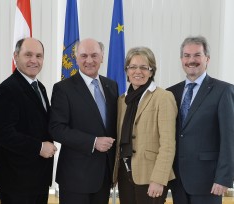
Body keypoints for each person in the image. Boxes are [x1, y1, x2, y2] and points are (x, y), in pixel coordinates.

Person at [49, 38, 118, 204]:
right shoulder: (63, 89)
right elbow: (56, 128)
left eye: (94, 55)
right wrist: (93, 142)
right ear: (76, 58)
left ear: (102, 57)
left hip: (104, 177)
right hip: (75, 179)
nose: (89, 60)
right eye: (84, 55)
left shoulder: (111, 86)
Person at [167, 36, 234, 204]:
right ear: (181, 59)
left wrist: (224, 177)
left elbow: (229, 138)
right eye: (187, 55)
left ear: (207, 59)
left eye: (197, 55)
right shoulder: (171, 93)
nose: (191, 60)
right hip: (177, 180)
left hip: (209, 181)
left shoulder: (223, 91)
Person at [0, 37, 57, 204]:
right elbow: (3, 134)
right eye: (28, 55)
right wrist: (39, 147)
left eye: (39, 56)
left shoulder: (39, 87)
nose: (34, 60)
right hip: (17, 182)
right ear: (16, 56)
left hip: (38, 179)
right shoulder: (8, 89)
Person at [112, 47, 177, 204]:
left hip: (151, 176)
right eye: (133, 67)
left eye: (144, 67)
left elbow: (168, 144)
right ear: (127, 71)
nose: (137, 71)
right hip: (125, 174)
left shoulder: (163, 97)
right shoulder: (122, 101)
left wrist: (159, 179)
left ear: (151, 71)